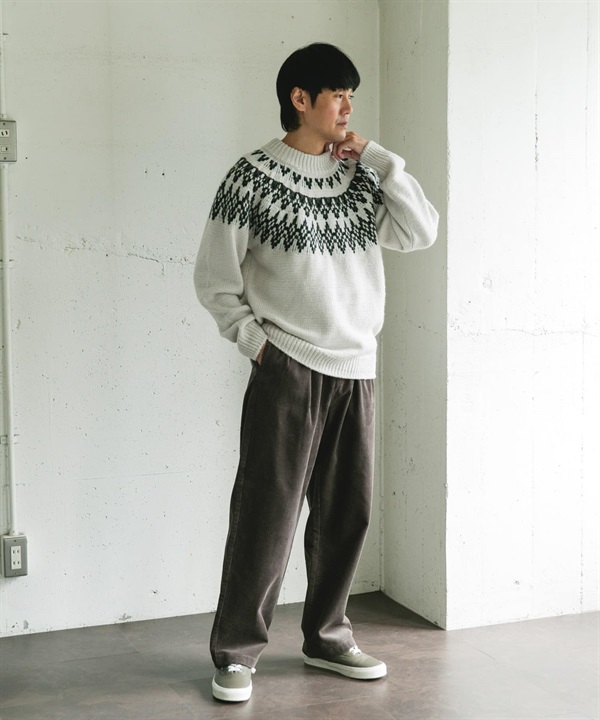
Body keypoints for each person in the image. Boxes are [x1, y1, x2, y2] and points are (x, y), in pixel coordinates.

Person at [194, 42, 438, 703]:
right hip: (288, 366)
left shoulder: (362, 177)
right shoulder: (250, 177)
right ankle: (236, 653)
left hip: (356, 366)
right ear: (300, 99)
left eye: (352, 96)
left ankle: (327, 637)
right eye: (338, 95)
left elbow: (420, 231)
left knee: (345, 515)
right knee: (266, 513)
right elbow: (214, 278)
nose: (348, 108)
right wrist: (256, 344)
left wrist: (380, 160)